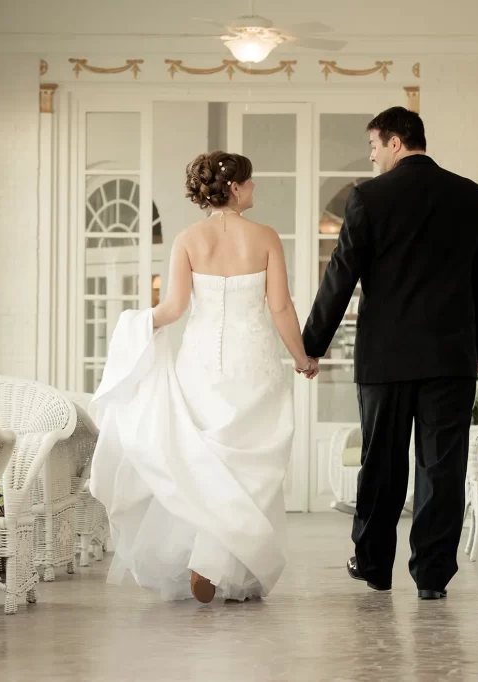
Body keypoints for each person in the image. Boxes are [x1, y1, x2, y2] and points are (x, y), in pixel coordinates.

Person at [89, 151, 316, 605]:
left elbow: (173, 310)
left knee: (204, 463)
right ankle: (216, 560)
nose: (255, 189)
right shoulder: (266, 237)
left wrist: (133, 325)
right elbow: (280, 308)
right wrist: (302, 356)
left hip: (200, 363)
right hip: (252, 362)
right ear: (234, 187)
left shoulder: (188, 239)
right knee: (250, 467)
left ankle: (206, 556)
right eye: (250, 183)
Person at [301, 106, 478, 600]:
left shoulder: (369, 197)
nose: (371, 158)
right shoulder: (470, 196)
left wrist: (311, 345)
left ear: (394, 142)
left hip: (385, 359)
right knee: (441, 468)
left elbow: (340, 274)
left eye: (373, 147)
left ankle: (373, 566)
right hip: (449, 358)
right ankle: (432, 577)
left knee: (382, 464)